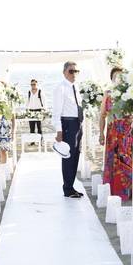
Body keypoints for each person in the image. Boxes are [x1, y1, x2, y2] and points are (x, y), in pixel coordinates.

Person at [99, 67, 132, 200]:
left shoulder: (130, 94)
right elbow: (102, 115)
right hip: (113, 133)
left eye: (121, 76)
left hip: (127, 133)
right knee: (113, 162)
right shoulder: (107, 93)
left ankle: (126, 192)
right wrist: (101, 133)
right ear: (111, 79)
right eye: (115, 77)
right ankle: (113, 192)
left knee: (126, 161)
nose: (118, 79)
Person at [53, 61, 84, 198]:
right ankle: (67, 188)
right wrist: (59, 130)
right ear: (64, 72)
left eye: (76, 71)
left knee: (76, 156)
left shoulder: (75, 87)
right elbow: (56, 111)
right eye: (71, 71)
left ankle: (71, 186)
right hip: (68, 125)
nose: (74, 74)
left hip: (78, 124)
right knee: (68, 157)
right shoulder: (60, 88)